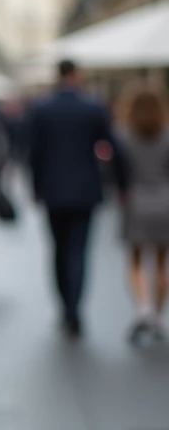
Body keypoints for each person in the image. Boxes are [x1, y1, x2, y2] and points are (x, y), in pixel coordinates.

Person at [28, 59, 128, 338]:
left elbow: (34, 154)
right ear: (77, 75)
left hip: (52, 191)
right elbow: (112, 146)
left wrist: (35, 188)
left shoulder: (42, 108)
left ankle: (65, 306)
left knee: (59, 250)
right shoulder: (93, 107)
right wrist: (122, 185)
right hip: (85, 190)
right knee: (78, 251)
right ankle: (74, 307)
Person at [115, 86, 169, 343]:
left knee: (135, 259)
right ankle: (158, 314)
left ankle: (143, 308)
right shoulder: (167, 136)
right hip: (164, 201)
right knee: (161, 262)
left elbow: (118, 173)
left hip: (135, 201)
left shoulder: (124, 136)